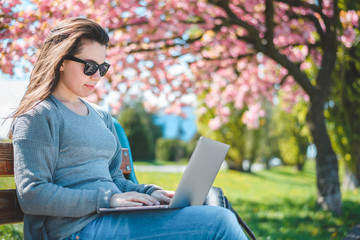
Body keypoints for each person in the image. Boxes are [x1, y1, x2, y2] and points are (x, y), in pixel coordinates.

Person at [10, 17, 248, 240]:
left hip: (112, 218)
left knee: (215, 216)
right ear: (61, 61)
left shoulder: (101, 115)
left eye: (102, 68)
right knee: (218, 222)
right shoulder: (38, 116)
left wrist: (150, 192)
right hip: (77, 229)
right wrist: (108, 199)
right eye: (90, 66)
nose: (96, 76)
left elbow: (115, 179)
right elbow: (33, 194)